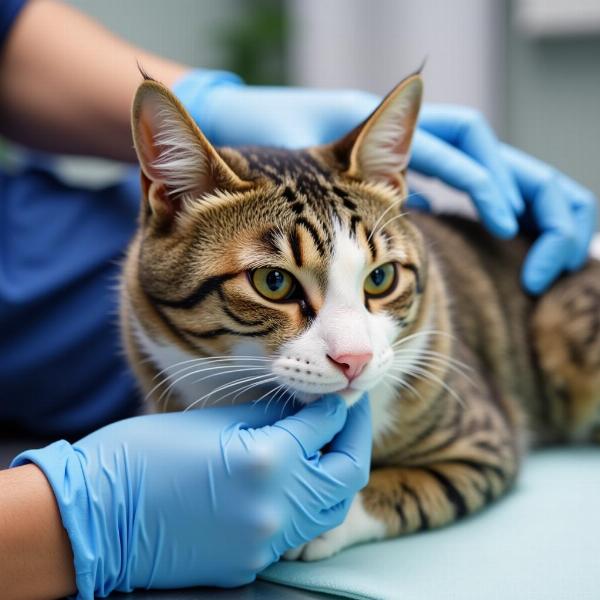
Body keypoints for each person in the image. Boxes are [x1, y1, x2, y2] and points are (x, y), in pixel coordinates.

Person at [0, 1, 596, 598]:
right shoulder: (178, 264)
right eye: (277, 283)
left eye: (379, 282)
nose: (353, 350)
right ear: (170, 199)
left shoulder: (413, 360)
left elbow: (485, 455)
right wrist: (97, 518)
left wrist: (360, 515)